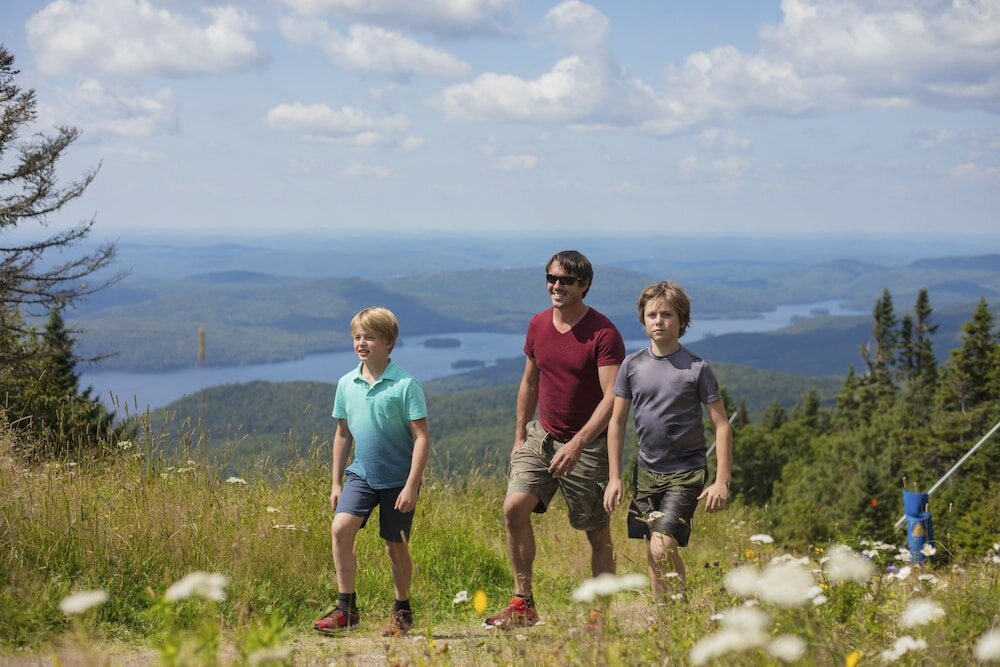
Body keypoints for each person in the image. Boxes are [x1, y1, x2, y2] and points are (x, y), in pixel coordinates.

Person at [485, 250, 626, 629]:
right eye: (550, 278)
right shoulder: (538, 325)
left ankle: (600, 614)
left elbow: (612, 396)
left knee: (596, 531)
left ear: (584, 285)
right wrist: (519, 437)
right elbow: (529, 382)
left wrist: (578, 444)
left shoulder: (603, 333)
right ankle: (523, 603)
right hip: (542, 436)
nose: (555, 286)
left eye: (565, 280)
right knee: (514, 507)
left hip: (588, 445)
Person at [603, 280, 732, 602]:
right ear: (643, 321)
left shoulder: (697, 368)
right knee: (654, 547)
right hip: (646, 471)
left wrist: (721, 482)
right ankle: (669, 615)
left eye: (667, 315)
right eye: (651, 315)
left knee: (662, 544)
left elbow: (722, 426)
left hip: (686, 471)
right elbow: (616, 422)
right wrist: (615, 477)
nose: (658, 321)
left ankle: (677, 608)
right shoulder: (631, 366)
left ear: (682, 321)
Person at [313, 307, 431, 637]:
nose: (361, 343)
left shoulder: (406, 384)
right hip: (361, 474)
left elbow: (422, 438)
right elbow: (342, 433)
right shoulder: (346, 383)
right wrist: (336, 480)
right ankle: (346, 608)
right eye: (357, 337)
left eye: (370, 337)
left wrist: (412, 485)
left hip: (398, 479)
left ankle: (402, 610)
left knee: (395, 546)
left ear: (389, 342)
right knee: (341, 529)